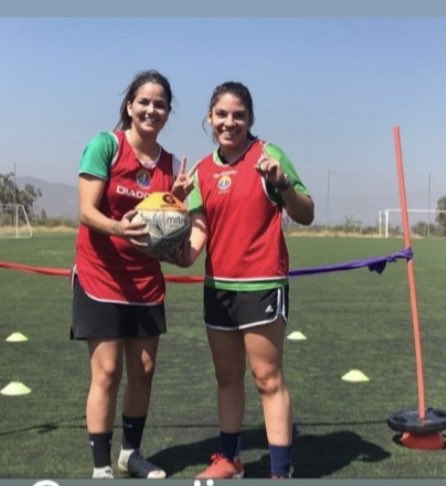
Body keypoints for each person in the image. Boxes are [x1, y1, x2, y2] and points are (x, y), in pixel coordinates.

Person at [177, 81, 315, 479]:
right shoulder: (201, 172)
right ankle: (231, 460)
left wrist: (282, 183)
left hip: (261, 286)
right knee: (226, 379)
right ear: (209, 118)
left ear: (250, 118)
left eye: (238, 115)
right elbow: (194, 244)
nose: (230, 122)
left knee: (267, 379)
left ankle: (279, 471)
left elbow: (305, 213)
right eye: (221, 114)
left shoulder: (268, 155)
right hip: (218, 291)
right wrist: (164, 235)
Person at [71, 69, 195, 479]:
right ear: (129, 106)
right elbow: (87, 212)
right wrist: (120, 228)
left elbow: (175, 231)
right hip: (101, 275)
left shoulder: (174, 165)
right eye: (144, 101)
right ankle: (101, 466)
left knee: (143, 371)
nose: (151, 109)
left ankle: (131, 454)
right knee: (107, 371)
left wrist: (177, 209)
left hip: (145, 283)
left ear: (168, 112)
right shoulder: (105, 145)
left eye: (160, 104)